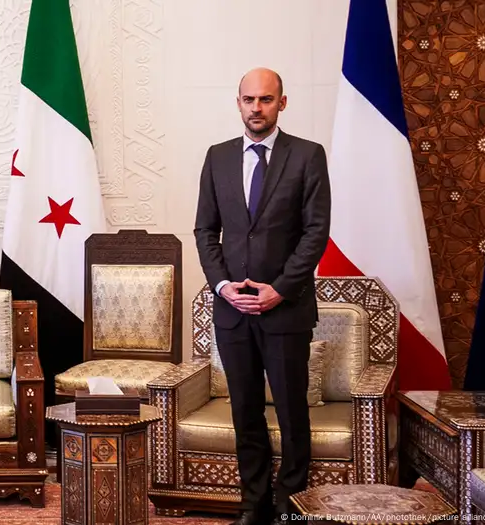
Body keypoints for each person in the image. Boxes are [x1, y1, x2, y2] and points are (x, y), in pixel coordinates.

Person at [193, 68, 331, 525]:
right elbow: (205, 230)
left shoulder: (307, 155)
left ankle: (290, 505)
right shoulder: (217, 157)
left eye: (266, 99)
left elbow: (315, 232)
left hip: (285, 310)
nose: (257, 108)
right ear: (238, 103)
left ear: (282, 103)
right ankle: (254, 504)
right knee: (245, 411)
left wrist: (280, 289)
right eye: (249, 99)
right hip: (233, 311)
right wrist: (222, 286)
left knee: (292, 413)